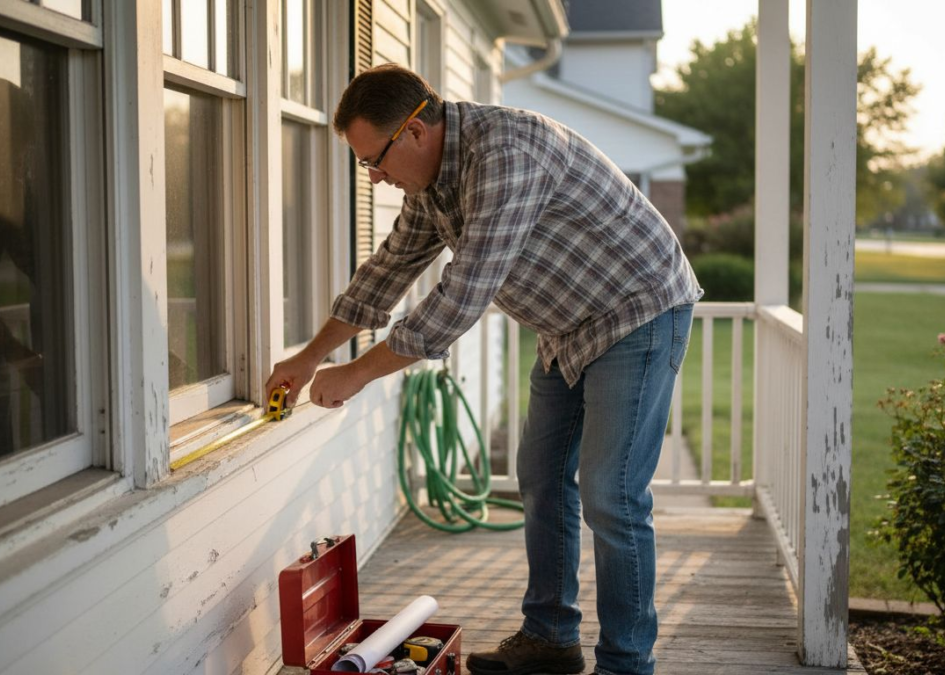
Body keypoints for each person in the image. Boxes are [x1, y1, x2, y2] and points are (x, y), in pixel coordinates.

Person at [266, 63, 702, 675]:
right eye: (365, 165)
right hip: (569, 327)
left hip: (638, 310)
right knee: (542, 478)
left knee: (612, 494)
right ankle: (550, 639)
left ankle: (627, 663)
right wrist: (308, 357)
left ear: (416, 130)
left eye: (376, 160)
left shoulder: (508, 153)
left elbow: (461, 298)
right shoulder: (431, 180)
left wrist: (357, 373)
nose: (375, 176)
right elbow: (386, 274)